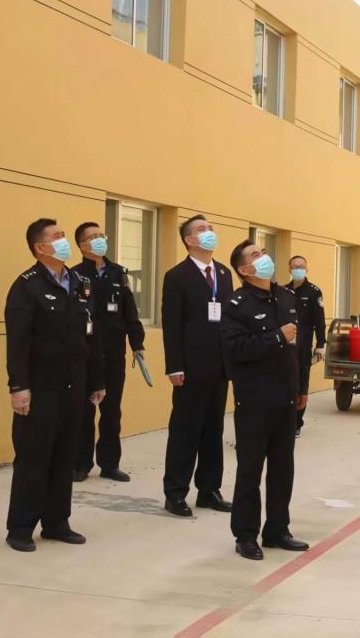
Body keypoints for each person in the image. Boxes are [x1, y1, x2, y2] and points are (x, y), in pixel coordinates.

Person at [4, 218, 106, 552]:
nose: (64, 241)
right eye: (57, 237)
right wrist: (19, 387)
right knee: (33, 458)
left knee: (65, 457)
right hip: (40, 387)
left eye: (63, 235)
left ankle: (57, 522)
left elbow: (90, 336)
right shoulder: (27, 286)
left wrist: (96, 380)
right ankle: (20, 528)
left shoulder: (78, 282)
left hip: (74, 385)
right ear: (40, 247)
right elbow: (18, 343)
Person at [222, 240, 308, 560]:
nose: (264, 258)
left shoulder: (286, 297)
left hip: (285, 397)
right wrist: (276, 336)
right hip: (254, 400)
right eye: (256, 255)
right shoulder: (236, 304)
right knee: (250, 470)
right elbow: (236, 351)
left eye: (264, 252)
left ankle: (277, 530)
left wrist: (301, 388)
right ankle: (245, 535)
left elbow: (297, 349)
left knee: (283, 469)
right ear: (244, 269)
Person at [161, 215, 234, 516]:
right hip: (190, 368)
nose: (209, 233)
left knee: (213, 430)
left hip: (220, 367)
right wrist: (174, 365)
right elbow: (171, 324)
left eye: (211, 229)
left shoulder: (224, 273)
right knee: (185, 430)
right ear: (189, 240)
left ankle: (209, 489)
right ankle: (175, 492)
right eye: (202, 230)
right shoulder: (177, 276)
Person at [71, 222, 145, 483]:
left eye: (101, 234)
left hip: (114, 353)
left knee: (112, 411)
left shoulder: (118, 273)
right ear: (82, 245)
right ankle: (80, 463)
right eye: (93, 237)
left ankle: (110, 463)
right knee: (84, 410)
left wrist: (137, 344)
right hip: (86, 353)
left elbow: (130, 313)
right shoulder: (74, 275)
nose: (100, 239)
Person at [283, 256, 326, 437]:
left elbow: (320, 321)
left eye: (301, 267)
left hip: (305, 343)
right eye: (294, 267)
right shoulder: (283, 291)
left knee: (302, 380)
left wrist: (321, 344)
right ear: (289, 269)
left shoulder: (314, 292)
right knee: (287, 380)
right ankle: (285, 420)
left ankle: (297, 422)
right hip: (287, 344)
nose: (298, 269)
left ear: (306, 269)